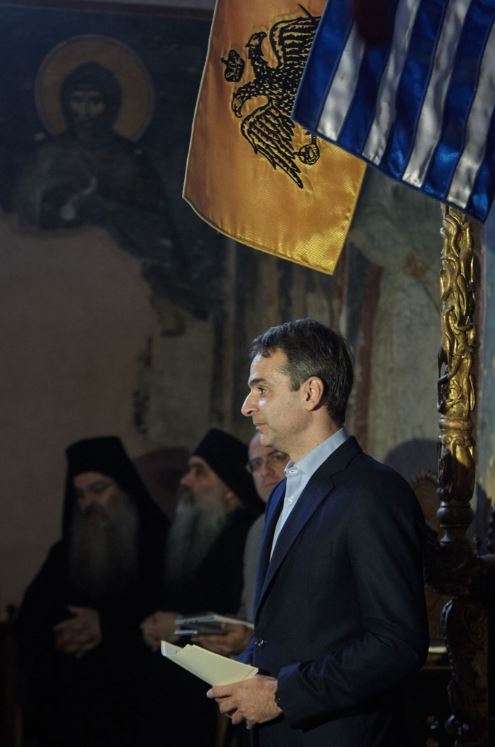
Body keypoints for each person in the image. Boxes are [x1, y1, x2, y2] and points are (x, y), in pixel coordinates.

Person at [208, 319, 429, 746]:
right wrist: (243, 671)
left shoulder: (372, 492)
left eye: (261, 389)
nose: (247, 406)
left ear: (310, 393)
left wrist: (284, 696)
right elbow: (285, 627)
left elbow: (396, 643)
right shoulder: (282, 492)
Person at [16, 436, 169, 747]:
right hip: (71, 711)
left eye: (98, 489)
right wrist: (60, 636)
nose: (88, 504)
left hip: (135, 709)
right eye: (80, 494)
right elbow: (30, 621)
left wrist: (108, 627)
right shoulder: (64, 553)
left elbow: (171, 619)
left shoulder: (160, 546)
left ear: (123, 488)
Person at [138, 427, 261, 747]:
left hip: (211, 693)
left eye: (200, 472)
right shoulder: (190, 535)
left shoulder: (247, 534)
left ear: (230, 490)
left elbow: (240, 618)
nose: (185, 481)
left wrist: (180, 625)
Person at [194, 432, 289, 657]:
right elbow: (249, 611)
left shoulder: (318, 519)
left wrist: (250, 639)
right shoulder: (258, 529)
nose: (265, 471)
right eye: (256, 464)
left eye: (277, 457)